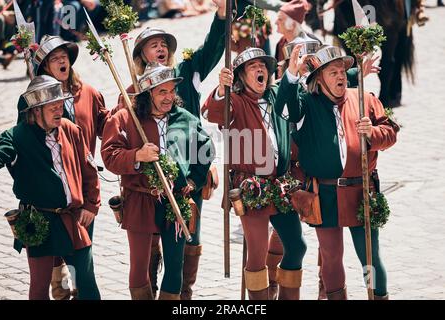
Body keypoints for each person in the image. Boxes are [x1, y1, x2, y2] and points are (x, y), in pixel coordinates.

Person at [119, 0, 226, 299]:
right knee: (151, 240)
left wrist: (220, 15)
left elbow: (212, 48)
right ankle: (151, 288)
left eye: (164, 43)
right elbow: (121, 136)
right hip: (148, 180)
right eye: (153, 45)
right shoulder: (132, 91)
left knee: (189, 235)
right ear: (141, 54)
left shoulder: (187, 69)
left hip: (189, 172)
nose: (161, 48)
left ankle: (183, 295)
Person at [275, 44, 399, 299]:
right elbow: (284, 109)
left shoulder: (363, 98)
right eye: (333, 72)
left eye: (342, 70)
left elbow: (391, 132)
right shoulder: (306, 105)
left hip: (361, 191)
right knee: (331, 258)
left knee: (370, 259)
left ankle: (378, 294)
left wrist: (372, 134)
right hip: (325, 194)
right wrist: (291, 75)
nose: (341, 75)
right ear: (319, 80)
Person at [101, 63, 213, 300]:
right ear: (147, 93)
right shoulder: (126, 118)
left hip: (176, 202)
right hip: (140, 199)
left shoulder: (185, 119)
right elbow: (109, 155)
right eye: (162, 92)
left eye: (172, 91)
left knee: (174, 266)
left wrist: (193, 181)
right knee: (140, 267)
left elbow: (206, 149)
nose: (169, 97)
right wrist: (137, 156)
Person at [202, 47, 307, 300]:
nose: (260, 69)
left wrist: (294, 71)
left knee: (296, 247)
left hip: (281, 185)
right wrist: (220, 89)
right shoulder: (235, 101)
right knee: (257, 253)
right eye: (252, 67)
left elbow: (294, 98)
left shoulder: (275, 96)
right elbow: (212, 112)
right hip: (251, 187)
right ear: (240, 76)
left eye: (263, 65)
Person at [17, 35, 109, 300]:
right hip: (48, 194)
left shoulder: (89, 93)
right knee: (50, 262)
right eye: (54, 59)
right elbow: (26, 143)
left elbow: (105, 126)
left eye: (64, 57)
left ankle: (76, 290)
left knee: (82, 262)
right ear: (45, 67)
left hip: (80, 191)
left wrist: (128, 111)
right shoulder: (31, 103)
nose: (61, 61)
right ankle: (60, 289)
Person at [0, 75, 101, 300]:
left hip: (72, 218)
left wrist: (91, 205)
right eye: (52, 107)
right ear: (35, 111)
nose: (58, 111)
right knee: (39, 289)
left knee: (87, 283)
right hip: (38, 221)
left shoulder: (70, 129)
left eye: (60, 105)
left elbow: (89, 171)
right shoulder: (16, 137)